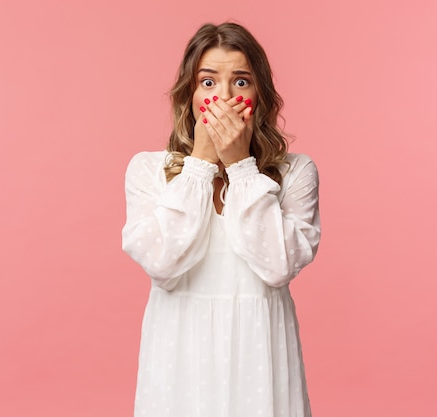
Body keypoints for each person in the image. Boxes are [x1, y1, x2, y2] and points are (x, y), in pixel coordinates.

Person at [122, 22, 321, 417]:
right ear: (190, 94)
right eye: (208, 83)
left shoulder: (297, 171)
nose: (224, 98)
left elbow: (277, 266)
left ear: (259, 93)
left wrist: (240, 166)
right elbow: (163, 264)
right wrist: (200, 164)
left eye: (241, 82)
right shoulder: (147, 171)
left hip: (259, 354)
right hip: (179, 355)